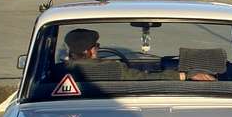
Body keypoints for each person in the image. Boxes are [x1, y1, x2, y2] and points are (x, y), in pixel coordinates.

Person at [64, 28, 216, 81]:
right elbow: (147, 78)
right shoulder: (114, 69)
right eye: (96, 46)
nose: (98, 48)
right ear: (88, 51)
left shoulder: (59, 72)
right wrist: (185, 75)